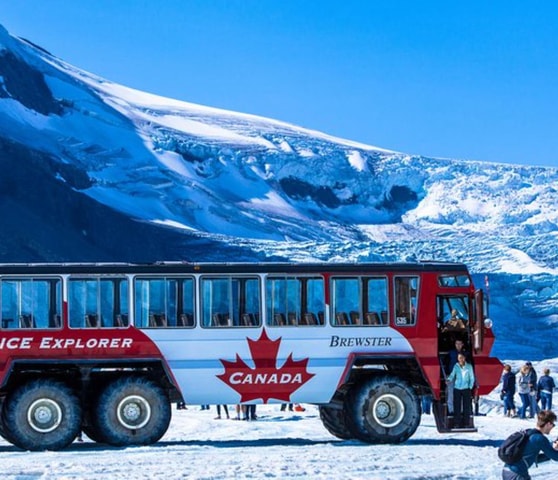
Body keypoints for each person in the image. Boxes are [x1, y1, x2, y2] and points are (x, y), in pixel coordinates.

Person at [502, 410, 558, 480]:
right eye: (553, 425)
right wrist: (553, 452)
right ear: (548, 424)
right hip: (517, 474)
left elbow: (534, 458)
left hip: (508, 471)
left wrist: (551, 452)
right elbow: (556, 457)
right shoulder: (539, 438)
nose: (553, 427)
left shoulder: (529, 432)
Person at [447, 353, 475, 428]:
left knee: (466, 406)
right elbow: (453, 375)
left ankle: (466, 423)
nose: (460, 359)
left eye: (462, 357)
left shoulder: (469, 366)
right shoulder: (456, 366)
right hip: (457, 388)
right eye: (459, 358)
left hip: (466, 388)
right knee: (457, 406)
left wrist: (470, 386)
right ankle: (457, 423)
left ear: (464, 358)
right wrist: (449, 380)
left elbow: (472, 377)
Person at [446, 339, 471, 414]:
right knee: (451, 394)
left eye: (460, 344)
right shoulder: (451, 353)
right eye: (457, 344)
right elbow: (446, 363)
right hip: (452, 376)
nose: (458, 345)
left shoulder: (466, 354)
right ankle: (451, 410)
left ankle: (462, 410)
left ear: (462, 344)